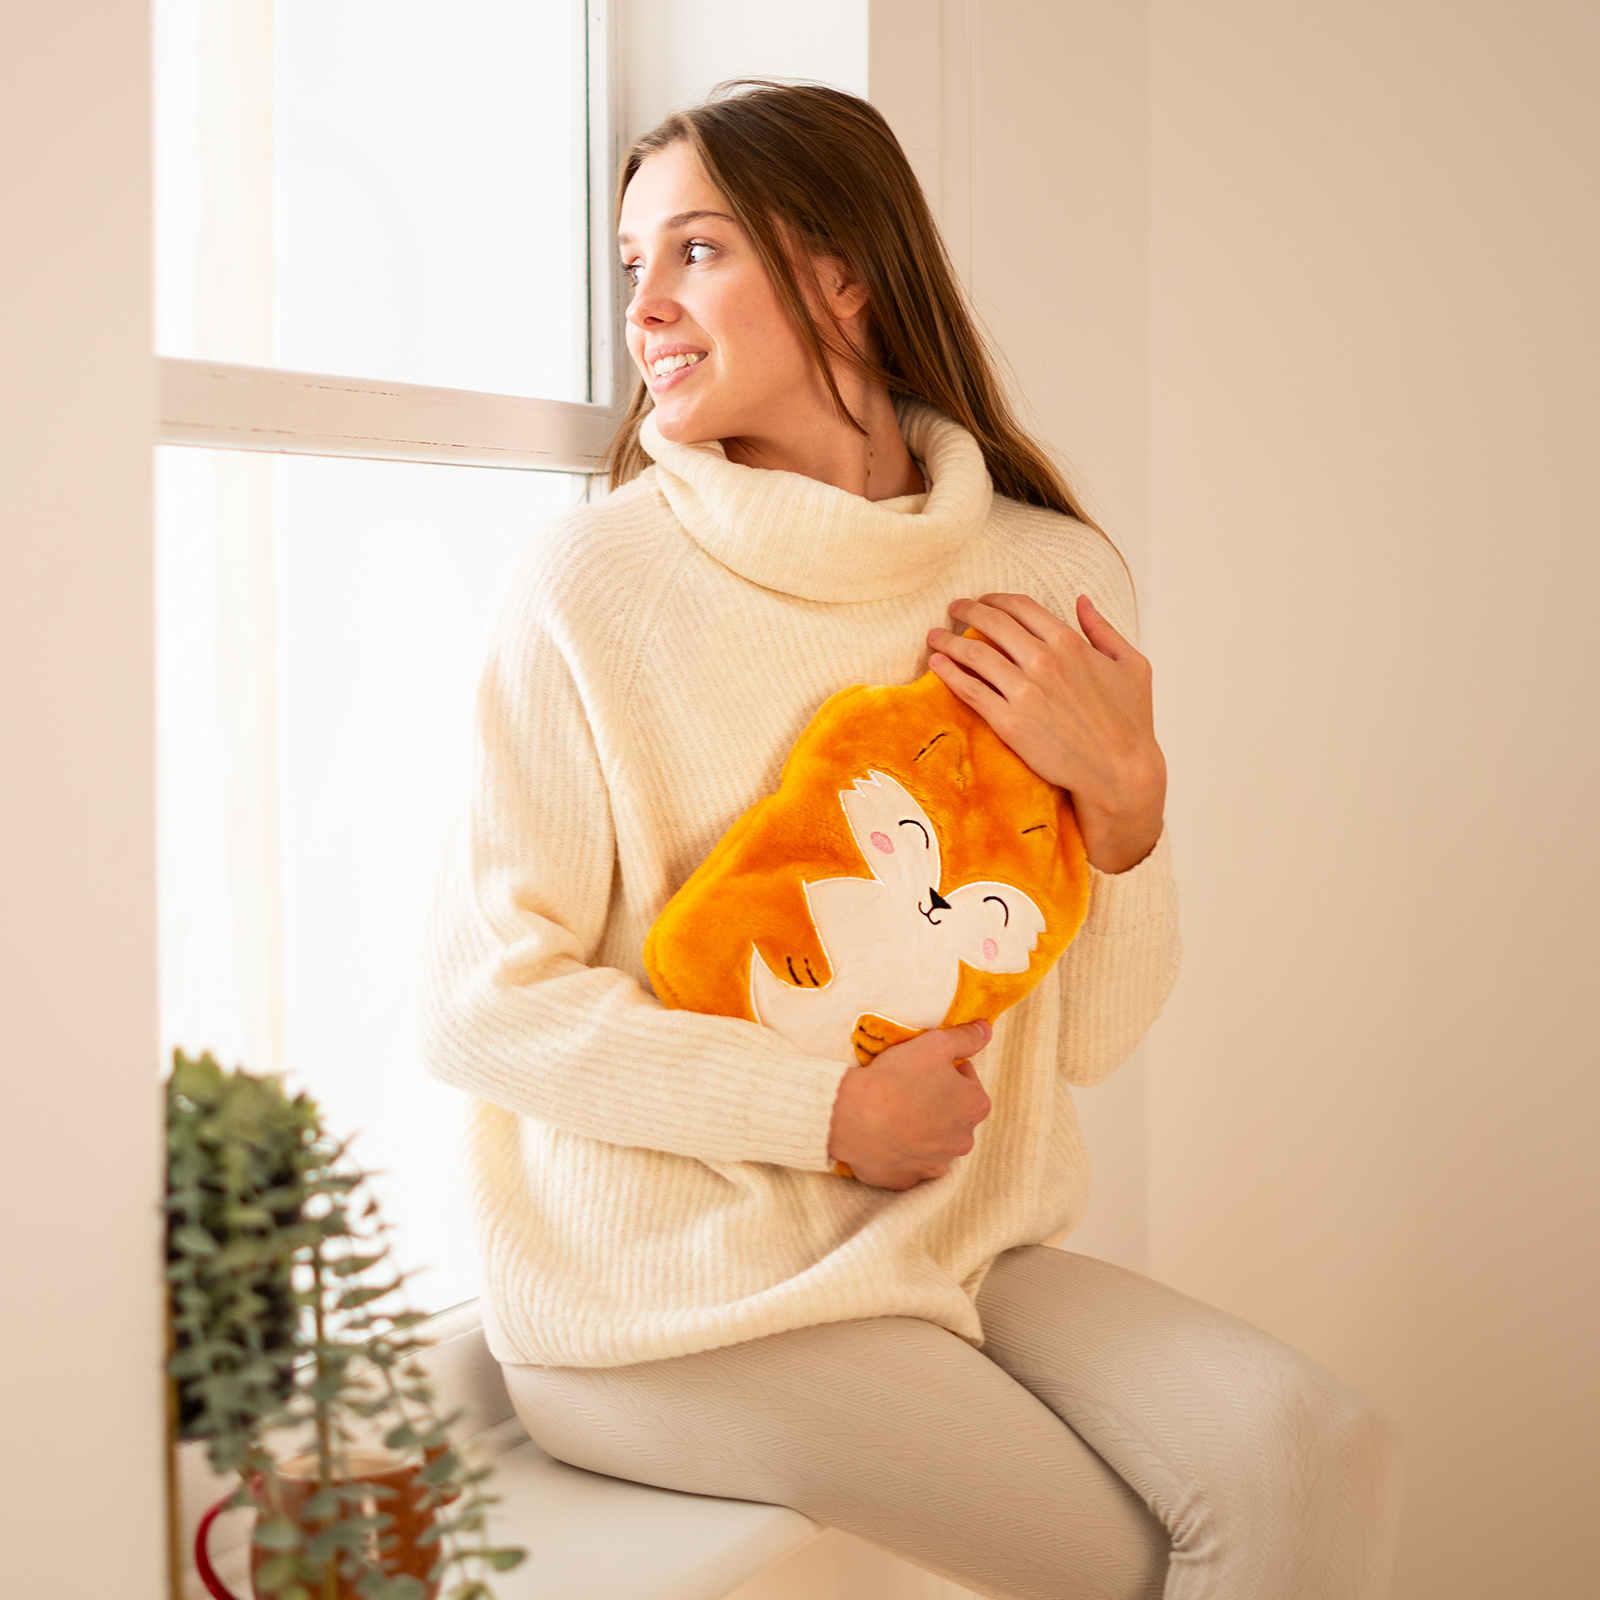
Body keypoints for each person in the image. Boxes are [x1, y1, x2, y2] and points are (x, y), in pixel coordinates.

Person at [422, 82, 1401, 1600]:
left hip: (950, 1251)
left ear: (842, 274)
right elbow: (482, 1005)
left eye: (696, 252)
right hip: (663, 1305)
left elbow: (1093, 1039)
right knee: (1156, 1563)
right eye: (633, 266)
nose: (647, 308)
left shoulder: (1046, 575)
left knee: (1314, 1448)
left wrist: (1131, 812)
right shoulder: (594, 587)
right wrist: (829, 1111)